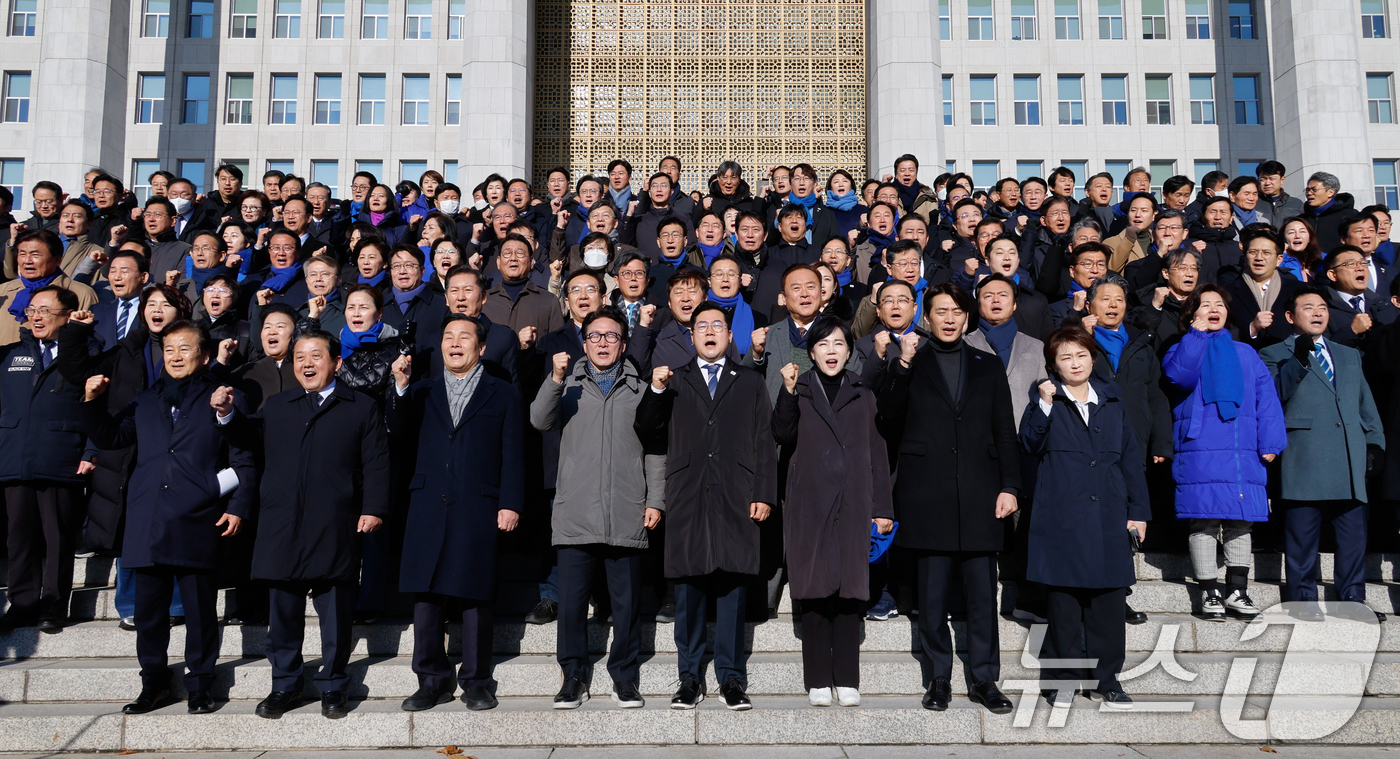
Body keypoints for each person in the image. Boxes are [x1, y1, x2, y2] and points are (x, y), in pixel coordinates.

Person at [211, 330, 392, 719]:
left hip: (335, 522)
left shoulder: (360, 407)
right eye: (299, 358)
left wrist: (373, 507)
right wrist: (227, 413)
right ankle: (285, 685)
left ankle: (333, 685)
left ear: (336, 362)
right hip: (282, 523)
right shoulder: (277, 406)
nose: (307, 364)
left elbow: (377, 462)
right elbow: (247, 438)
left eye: (315, 356)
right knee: (284, 615)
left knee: (336, 614)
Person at [81, 320, 256, 714]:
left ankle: (200, 684)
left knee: (199, 611)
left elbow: (245, 456)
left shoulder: (223, 397)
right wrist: (92, 402)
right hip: (147, 518)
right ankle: (154, 683)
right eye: (169, 349)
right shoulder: (146, 400)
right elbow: (112, 437)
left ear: (205, 355)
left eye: (185, 348)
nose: (175, 356)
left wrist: (236, 506)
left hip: (197, 518)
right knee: (149, 614)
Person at [876, 282, 1019, 714]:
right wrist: (900, 364)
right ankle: (938, 677)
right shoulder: (909, 362)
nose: (950, 318)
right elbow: (886, 418)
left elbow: (1004, 433)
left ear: (967, 315)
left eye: (957, 310)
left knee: (981, 597)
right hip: (927, 493)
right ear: (928, 315)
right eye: (941, 311)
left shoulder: (988, 365)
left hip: (980, 494)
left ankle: (984, 678)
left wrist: (1010, 486)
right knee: (932, 597)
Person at [634, 301, 778, 711]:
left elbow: (765, 443)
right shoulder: (672, 380)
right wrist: (657, 391)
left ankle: (732, 679)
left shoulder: (749, 381)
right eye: (702, 326)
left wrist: (763, 493)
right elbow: (647, 429)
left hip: (737, 494)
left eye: (719, 325)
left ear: (730, 336)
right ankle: (689, 678)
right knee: (690, 592)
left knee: (733, 590)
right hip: (688, 495)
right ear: (692, 336)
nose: (711, 331)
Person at [530, 305, 664, 710]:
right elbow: (539, 419)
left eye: (611, 336)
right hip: (576, 510)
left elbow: (656, 451)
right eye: (594, 336)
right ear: (583, 342)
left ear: (624, 344)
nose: (602, 343)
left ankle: (624, 676)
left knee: (626, 604)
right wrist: (554, 379)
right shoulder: (566, 385)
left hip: (626, 508)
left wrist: (655, 499)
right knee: (571, 604)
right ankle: (573, 675)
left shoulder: (641, 391)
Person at [390, 314, 523, 712]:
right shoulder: (420, 392)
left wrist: (510, 502)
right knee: (427, 596)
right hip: (428, 503)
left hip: (477, 504)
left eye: (464, 336)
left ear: (481, 348)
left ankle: (477, 681)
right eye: (448, 336)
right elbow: (396, 436)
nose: (454, 342)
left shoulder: (503, 393)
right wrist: (399, 387)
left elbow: (515, 453)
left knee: (474, 596)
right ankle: (430, 680)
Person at [1019, 327, 1151, 709]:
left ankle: (1107, 679)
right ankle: (1062, 680)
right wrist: (1043, 404)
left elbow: (1130, 460)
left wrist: (1138, 512)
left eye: (1081, 355)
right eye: (1065, 357)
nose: (1075, 363)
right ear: (1053, 366)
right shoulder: (1046, 402)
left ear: (1093, 359)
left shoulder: (1112, 401)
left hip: (1108, 514)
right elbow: (1028, 443)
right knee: (1064, 607)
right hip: (1062, 517)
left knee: (1109, 605)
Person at [772, 316, 893, 708]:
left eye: (839, 344)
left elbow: (877, 452)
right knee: (814, 588)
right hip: (809, 502)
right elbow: (782, 434)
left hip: (854, 501)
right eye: (823, 345)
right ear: (811, 352)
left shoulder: (862, 391)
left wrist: (882, 507)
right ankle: (819, 678)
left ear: (849, 351)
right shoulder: (799, 388)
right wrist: (787, 393)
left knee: (848, 591)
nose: (831, 352)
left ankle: (847, 677)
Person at [60, 283, 194, 630]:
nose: (157, 309)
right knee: (130, 527)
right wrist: (75, 332)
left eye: (165, 304)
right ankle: (131, 603)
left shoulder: (193, 349)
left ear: (180, 311)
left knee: (176, 525)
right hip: (129, 449)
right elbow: (77, 372)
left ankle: (177, 603)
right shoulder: (126, 350)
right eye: (150, 304)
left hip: (177, 449)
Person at [1259, 286, 1387, 623]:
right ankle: (1302, 599)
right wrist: (1299, 358)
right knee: (1302, 532)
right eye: (1308, 308)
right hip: (1304, 450)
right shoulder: (1274, 353)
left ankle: (1353, 599)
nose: (1318, 312)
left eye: (1322, 307)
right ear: (1290, 317)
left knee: (1353, 533)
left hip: (1348, 450)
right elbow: (1275, 396)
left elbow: (1365, 404)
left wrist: (1374, 443)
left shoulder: (1347, 354)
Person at [1162, 284, 1286, 622]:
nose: (1214, 308)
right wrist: (1195, 337)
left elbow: (1267, 400)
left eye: (1220, 303)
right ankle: (1209, 592)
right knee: (1203, 520)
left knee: (1240, 521)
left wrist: (1271, 442)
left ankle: (1237, 591)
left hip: (1241, 447)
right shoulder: (1181, 347)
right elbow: (1179, 377)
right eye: (1205, 304)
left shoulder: (1246, 352)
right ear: (1192, 313)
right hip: (1200, 447)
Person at [0, 287, 90, 633]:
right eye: (32, 310)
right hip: (14, 456)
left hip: (61, 457)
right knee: (18, 538)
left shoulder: (84, 352)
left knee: (58, 538)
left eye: (45, 311)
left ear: (67, 316)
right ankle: (21, 604)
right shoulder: (10, 355)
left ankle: (53, 606)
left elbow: (99, 408)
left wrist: (91, 452)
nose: (36, 317)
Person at [0, 229, 99, 345]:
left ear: (57, 259)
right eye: (22, 254)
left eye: (35, 255)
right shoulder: (3, 291)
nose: (27, 261)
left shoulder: (81, 293)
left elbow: (89, 340)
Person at [1224, 224, 1302, 348]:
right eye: (1253, 252)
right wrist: (1252, 329)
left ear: (1279, 259)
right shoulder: (1227, 292)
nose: (1259, 258)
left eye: (1266, 253)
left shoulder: (1298, 290)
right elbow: (1222, 332)